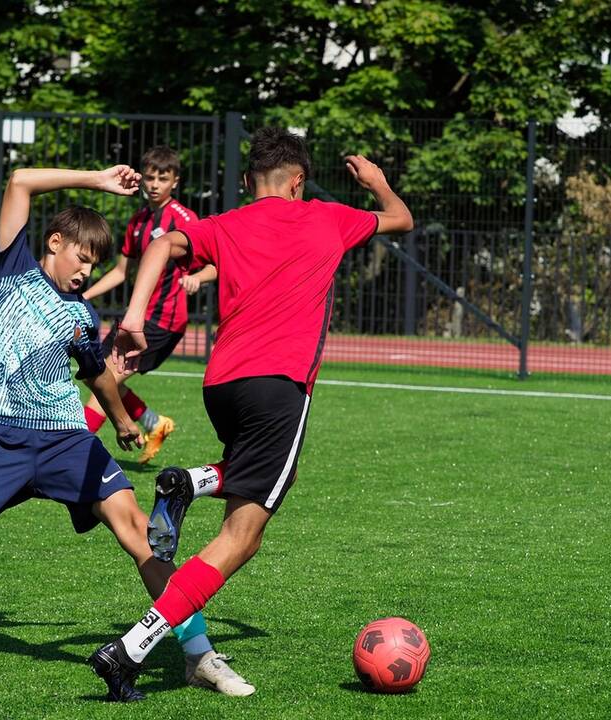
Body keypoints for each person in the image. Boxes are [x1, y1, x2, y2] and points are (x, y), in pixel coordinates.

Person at [0, 165, 253, 698]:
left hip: (68, 441)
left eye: (93, 265)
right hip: (0, 441)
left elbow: (97, 375)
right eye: (81, 259)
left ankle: (198, 655)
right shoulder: (12, 270)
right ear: (55, 242)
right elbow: (18, 179)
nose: (85, 273)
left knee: (143, 538)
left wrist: (123, 422)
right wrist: (98, 181)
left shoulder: (82, 317)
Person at [88, 128, 414, 700]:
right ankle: (132, 648)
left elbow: (162, 244)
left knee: (241, 478)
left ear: (245, 182)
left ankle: (190, 481)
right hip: (278, 386)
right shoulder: (328, 217)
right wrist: (378, 183)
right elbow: (401, 218)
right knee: (242, 536)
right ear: (299, 181)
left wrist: (134, 317)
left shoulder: (226, 224)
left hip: (222, 384)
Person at [81, 146, 217, 464]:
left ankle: (74, 450)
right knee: (94, 376)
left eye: (163, 178)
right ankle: (155, 424)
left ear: (175, 181)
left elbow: (217, 263)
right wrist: (83, 297)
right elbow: (119, 272)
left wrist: (199, 278)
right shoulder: (138, 220)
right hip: (136, 316)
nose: (155, 185)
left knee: (106, 379)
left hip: (163, 320)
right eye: (151, 178)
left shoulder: (185, 219)